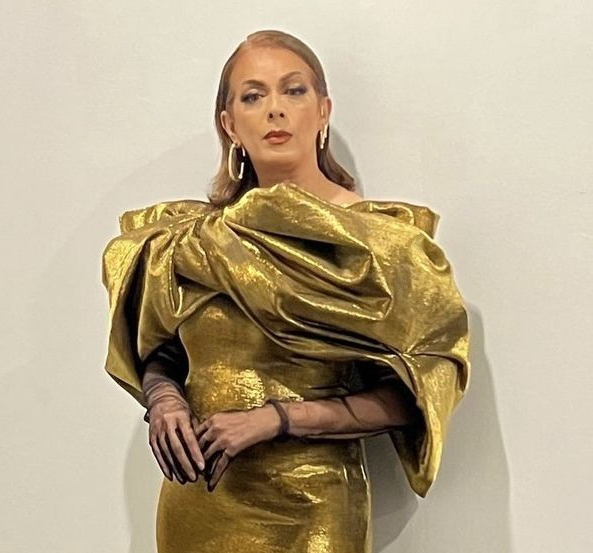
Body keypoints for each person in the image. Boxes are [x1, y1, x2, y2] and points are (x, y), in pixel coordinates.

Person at [100, 29, 471, 553]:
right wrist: (163, 400)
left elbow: (412, 395)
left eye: (293, 90)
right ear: (230, 125)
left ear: (323, 111)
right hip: (201, 498)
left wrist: (274, 419)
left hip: (315, 507)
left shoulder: (381, 246)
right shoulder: (191, 243)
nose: (275, 109)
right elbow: (159, 347)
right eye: (253, 96)